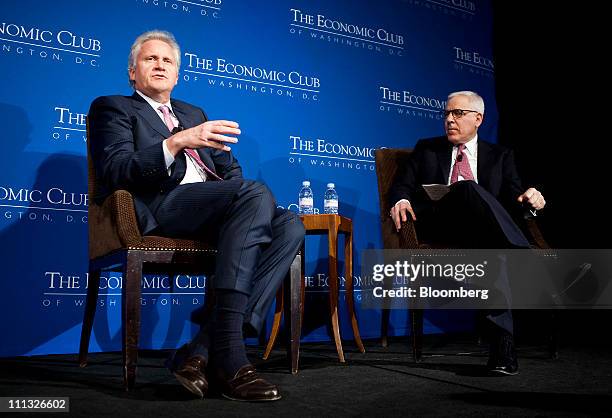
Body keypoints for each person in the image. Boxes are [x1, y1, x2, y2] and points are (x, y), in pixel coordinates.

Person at [88, 30, 305, 401]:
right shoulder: (113, 108)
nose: (159, 64)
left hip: (212, 211)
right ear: (132, 72)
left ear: (177, 74)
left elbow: (231, 172)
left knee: (290, 225)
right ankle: (232, 358)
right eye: (149, 59)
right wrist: (176, 142)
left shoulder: (193, 113)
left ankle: (199, 351)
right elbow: (117, 170)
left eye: (167, 60)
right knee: (255, 194)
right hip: (162, 206)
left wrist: (242, 194)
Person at [389, 90, 546, 375]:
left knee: (492, 250)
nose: (450, 119)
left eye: (458, 113)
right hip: (441, 226)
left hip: (484, 233)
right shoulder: (427, 148)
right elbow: (401, 185)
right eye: (447, 114)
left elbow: (514, 196)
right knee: (468, 187)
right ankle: (521, 251)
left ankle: (503, 349)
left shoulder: (500, 156)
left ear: (478, 118)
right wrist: (401, 199)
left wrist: (531, 197)